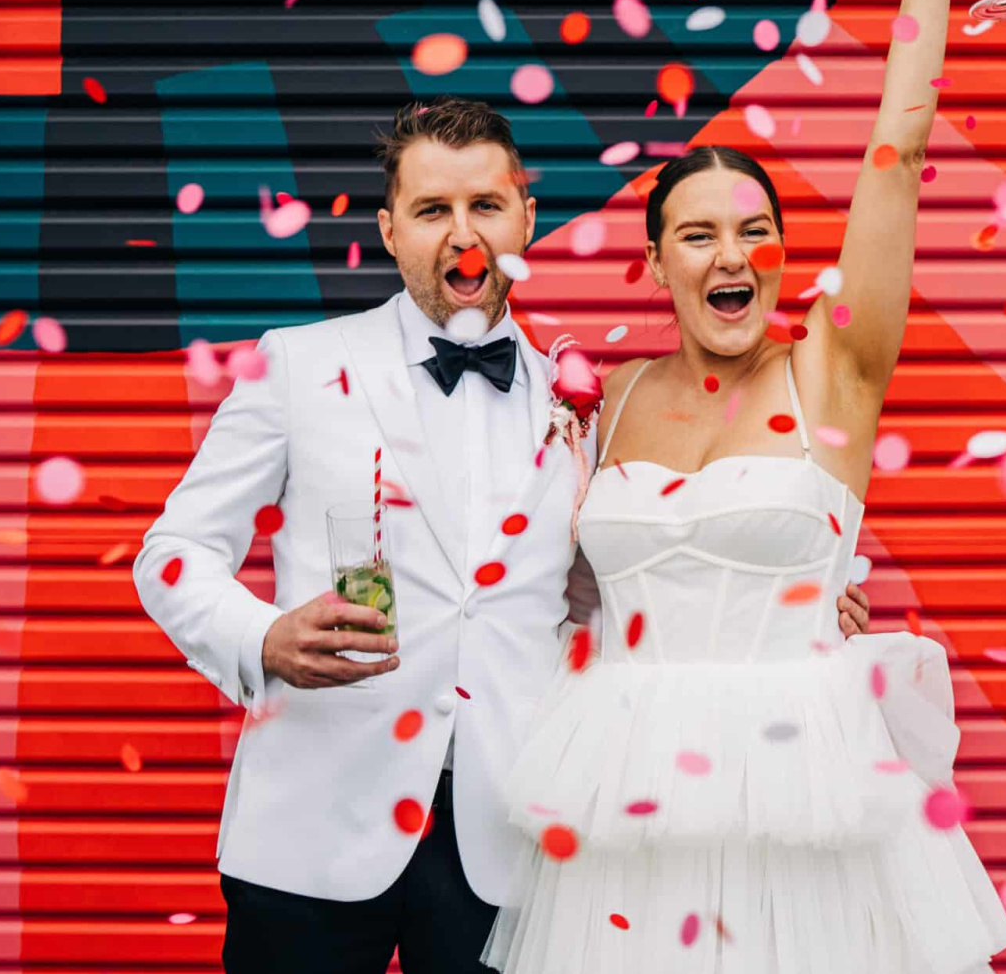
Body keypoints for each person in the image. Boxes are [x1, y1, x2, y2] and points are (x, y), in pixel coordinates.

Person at [133, 95, 873, 974]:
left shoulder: (582, 401)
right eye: (432, 210)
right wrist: (262, 636)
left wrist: (781, 598)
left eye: (485, 205)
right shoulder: (296, 363)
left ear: (527, 215)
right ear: (389, 228)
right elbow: (173, 553)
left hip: (510, 837)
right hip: (313, 833)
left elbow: (616, 584)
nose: (462, 234)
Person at [481, 0, 1006, 972]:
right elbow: (545, 591)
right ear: (655, 260)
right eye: (696, 235)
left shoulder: (833, 369)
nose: (729, 257)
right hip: (623, 795)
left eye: (753, 230)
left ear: (783, 251)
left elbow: (899, 152)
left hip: (805, 791)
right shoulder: (605, 397)